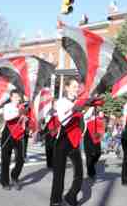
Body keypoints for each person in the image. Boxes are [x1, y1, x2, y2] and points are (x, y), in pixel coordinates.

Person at [50, 77, 84, 206]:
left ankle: (71, 196)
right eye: (74, 86)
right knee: (59, 175)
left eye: (77, 86)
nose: (76, 88)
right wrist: (74, 109)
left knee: (80, 173)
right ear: (67, 87)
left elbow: (81, 123)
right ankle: (55, 201)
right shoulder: (61, 102)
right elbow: (64, 120)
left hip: (74, 141)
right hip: (63, 140)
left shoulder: (78, 102)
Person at [0, 89, 26, 190]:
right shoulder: (7, 106)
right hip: (8, 133)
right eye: (15, 97)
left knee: (21, 159)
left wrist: (26, 122)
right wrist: (18, 113)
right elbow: (7, 117)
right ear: (11, 98)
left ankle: (14, 176)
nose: (17, 99)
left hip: (19, 134)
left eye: (18, 97)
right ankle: (5, 182)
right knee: (6, 159)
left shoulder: (22, 107)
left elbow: (23, 121)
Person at [83, 108, 105, 180]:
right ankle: (91, 173)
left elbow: (102, 127)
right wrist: (92, 106)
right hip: (88, 136)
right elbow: (87, 114)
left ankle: (91, 165)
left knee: (98, 153)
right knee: (89, 155)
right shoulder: (87, 117)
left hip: (96, 137)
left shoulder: (98, 118)